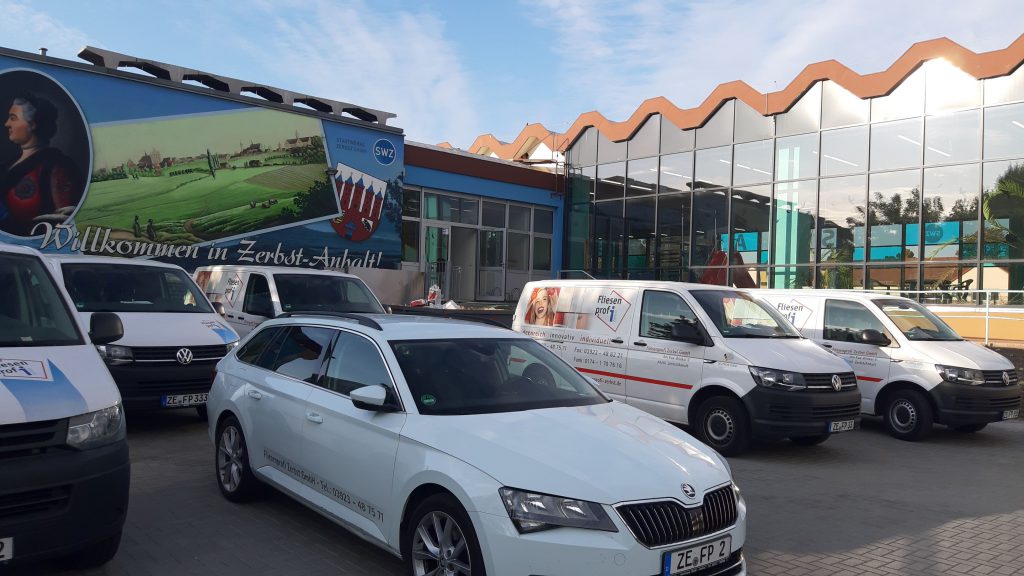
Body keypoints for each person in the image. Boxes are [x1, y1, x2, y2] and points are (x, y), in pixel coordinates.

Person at [1, 94, 83, 236]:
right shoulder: (9, 164)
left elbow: (61, 220)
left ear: (32, 125)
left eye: (13, 118)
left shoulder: (55, 166)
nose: (7, 124)